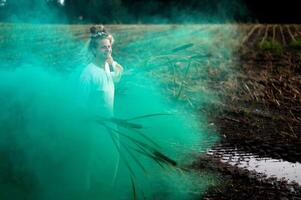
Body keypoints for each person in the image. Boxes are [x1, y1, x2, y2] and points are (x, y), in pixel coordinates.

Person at [79, 25, 123, 118]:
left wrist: (112, 62)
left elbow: (118, 75)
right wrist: (96, 118)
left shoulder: (107, 67)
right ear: (94, 50)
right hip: (95, 128)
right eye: (103, 47)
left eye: (109, 46)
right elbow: (80, 107)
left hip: (111, 125)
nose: (108, 50)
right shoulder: (88, 73)